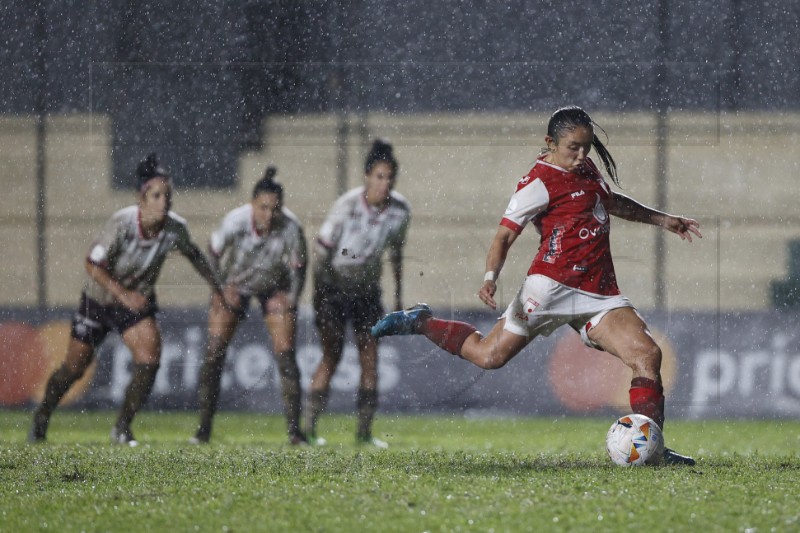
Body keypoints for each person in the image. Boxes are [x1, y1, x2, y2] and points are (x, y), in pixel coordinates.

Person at [372, 106, 702, 465]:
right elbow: (503, 237)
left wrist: (664, 219)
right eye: (573, 147)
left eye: (586, 147)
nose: (581, 155)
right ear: (550, 143)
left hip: (597, 291)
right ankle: (421, 321)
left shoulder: (586, 167)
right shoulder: (537, 183)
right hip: (549, 288)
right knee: (488, 356)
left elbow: (609, 202)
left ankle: (651, 451)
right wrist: (489, 278)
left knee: (647, 356)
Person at [29, 153, 231, 446]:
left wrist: (216, 286)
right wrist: (123, 294)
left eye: (168, 196)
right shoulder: (121, 223)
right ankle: (43, 415)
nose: (165, 202)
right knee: (73, 368)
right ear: (142, 199)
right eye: (157, 195)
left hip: (135, 304)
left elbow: (194, 254)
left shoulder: (175, 229)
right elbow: (92, 265)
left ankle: (122, 427)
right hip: (100, 301)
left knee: (150, 359)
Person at [305, 139, 411, 448]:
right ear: (367, 176)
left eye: (390, 177)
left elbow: (396, 254)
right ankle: (308, 429)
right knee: (331, 357)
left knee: (370, 360)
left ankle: (364, 433)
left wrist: (399, 297)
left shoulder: (400, 211)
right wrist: (320, 291)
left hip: (367, 292)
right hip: (334, 289)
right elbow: (321, 250)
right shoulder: (347, 205)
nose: (385, 183)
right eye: (379, 176)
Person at [191, 166, 308, 446]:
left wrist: (292, 299)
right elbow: (214, 253)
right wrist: (218, 289)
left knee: (286, 358)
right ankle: (203, 429)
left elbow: (300, 268)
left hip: (272, 287)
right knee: (214, 353)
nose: (269, 215)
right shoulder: (235, 221)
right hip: (236, 285)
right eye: (264, 208)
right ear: (252, 205)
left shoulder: (292, 228)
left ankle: (295, 432)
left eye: (275, 209)